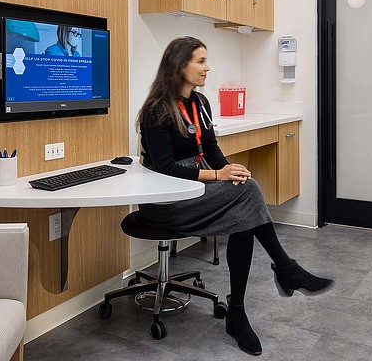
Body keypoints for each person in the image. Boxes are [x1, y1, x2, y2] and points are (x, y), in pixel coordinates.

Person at [137, 36, 333, 355]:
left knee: (245, 198)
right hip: (167, 199)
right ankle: (284, 271)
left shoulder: (199, 103)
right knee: (249, 195)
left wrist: (230, 171)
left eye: (206, 60)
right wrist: (218, 176)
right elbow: (166, 168)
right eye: (200, 61)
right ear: (179, 66)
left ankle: (240, 311)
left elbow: (211, 148)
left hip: (197, 187)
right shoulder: (157, 110)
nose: (207, 67)